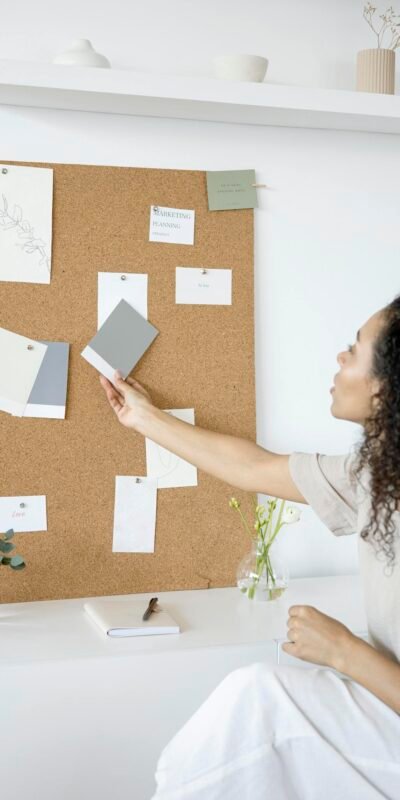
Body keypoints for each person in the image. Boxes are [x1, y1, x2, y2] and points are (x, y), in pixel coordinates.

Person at [99, 295, 400, 799]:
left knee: (260, 701)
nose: (341, 358)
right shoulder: (377, 477)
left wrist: (346, 652)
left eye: (355, 349)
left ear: (387, 387)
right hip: (382, 707)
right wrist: (143, 418)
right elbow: (253, 468)